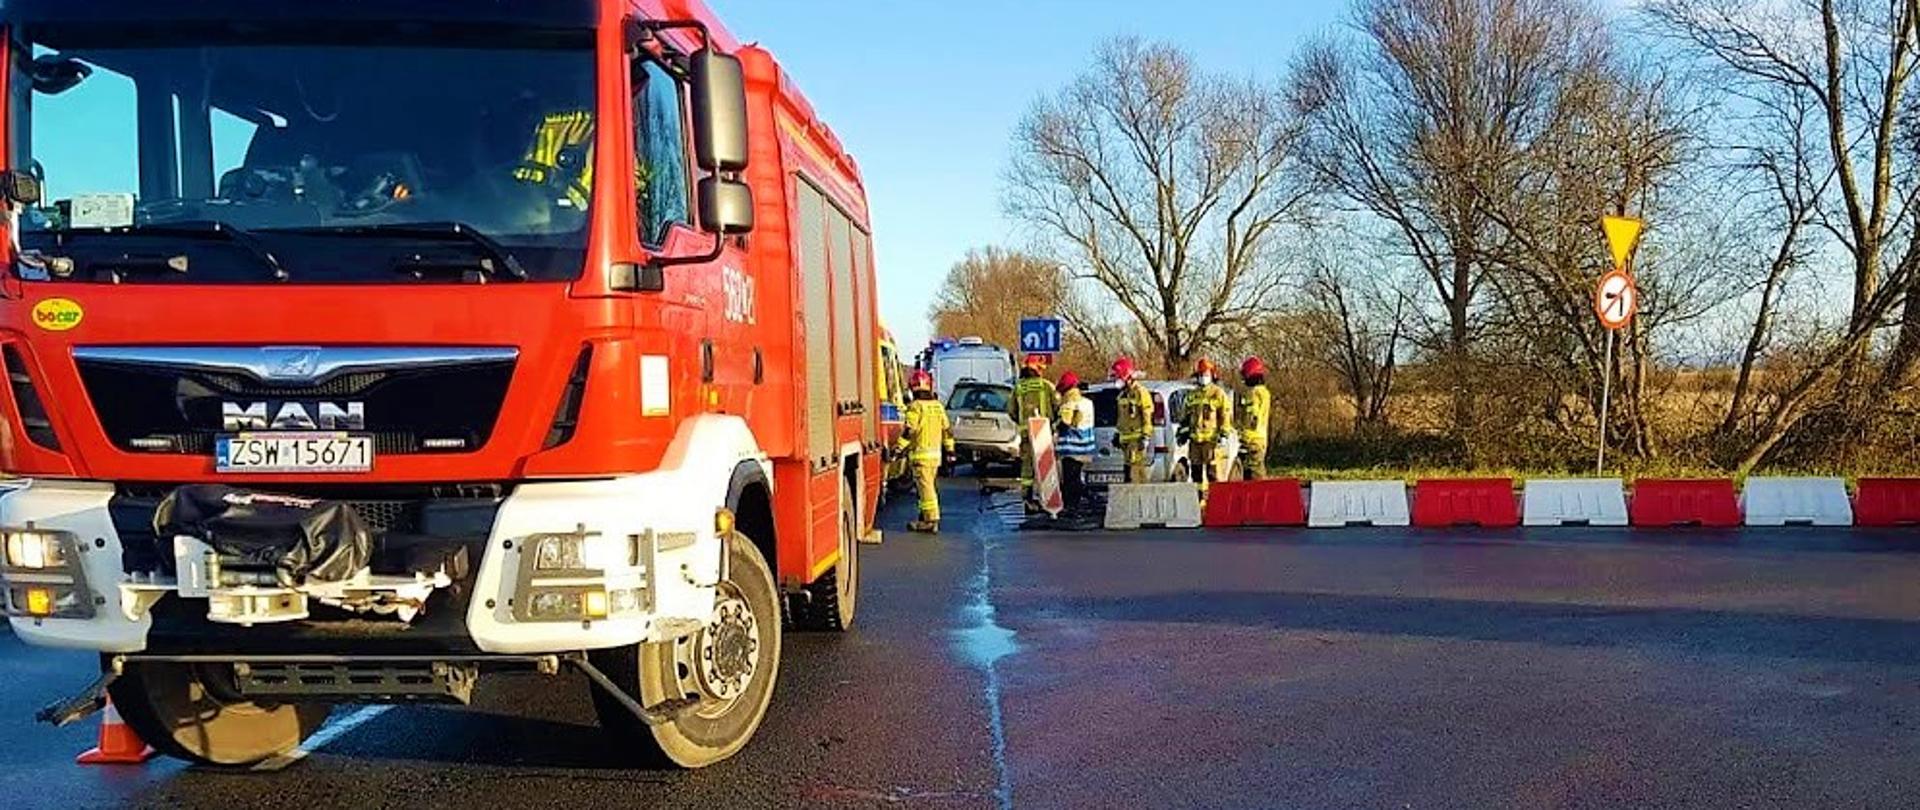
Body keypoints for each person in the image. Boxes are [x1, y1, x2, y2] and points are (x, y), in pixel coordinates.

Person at [897, 370, 954, 533]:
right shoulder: (938, 406)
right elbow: (947, 430)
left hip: (920, 457)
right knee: (926, 487)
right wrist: (950, 451)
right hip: (935, 457)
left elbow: (909, 431)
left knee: (926, 488)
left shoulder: (915, 407)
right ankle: (924, 516)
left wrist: (898, 449)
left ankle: (930, 520)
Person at [1180, 358, 1231, 508]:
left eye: (1206, 374)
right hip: (1195, 441)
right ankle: (1198, 503)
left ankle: (1216, 503)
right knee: (1195, 473)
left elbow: (1225, 416)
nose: (1203, 377)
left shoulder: (1218, 394)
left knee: (1212, 473)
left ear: (1213, 374)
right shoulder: (1192, 394)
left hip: (1211, 442)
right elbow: (1186, 416)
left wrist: (1224, 434)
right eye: (1201, 374)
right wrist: (1182, 433)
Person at [1010, 354, 1059, 507]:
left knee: (1027, 468)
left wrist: (1022, 422)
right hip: (1043, 433)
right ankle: (1048, 499)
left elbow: (1011, 410)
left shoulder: (1018, 388)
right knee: (1046, 467)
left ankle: (1027, 498)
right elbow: (1057, 407)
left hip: (1026, 433)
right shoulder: (1047, 386)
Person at [1054, 372, 1097, 514]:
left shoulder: (1069, 403)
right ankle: (1075, 505)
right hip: (1084, 447)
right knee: (1075, 477)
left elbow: (1065, 423)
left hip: (1071, 448)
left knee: (1070, 480)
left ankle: (1076, 503)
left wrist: (1054, 425)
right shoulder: (1087, 402)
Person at [1112, 357, 1155, 484]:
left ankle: (1138, 501)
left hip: (1137, 442)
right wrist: (1117, 434)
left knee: (1134, 475)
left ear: (1127, 376)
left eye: (1118, 378)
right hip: (1126, 443)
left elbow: (1147, 414)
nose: (1116, 381)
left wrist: (1146, 436)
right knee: (1128, 474)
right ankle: (1131, 502)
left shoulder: (1140, 392)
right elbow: (1121, 418)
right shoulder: (1122, 395)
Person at [1236, 356, 1273, 481]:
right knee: (1252, 474)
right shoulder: (1264, 392)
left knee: (1255, 475)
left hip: (1251, 440)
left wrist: (1240, 432)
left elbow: (1251, 417)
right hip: (1260, 439)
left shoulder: (1253, 393)